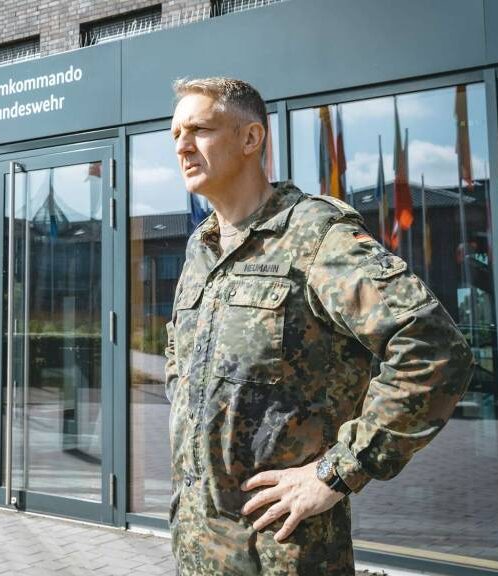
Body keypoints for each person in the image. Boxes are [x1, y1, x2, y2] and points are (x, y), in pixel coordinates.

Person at [163, 77, 473, 575]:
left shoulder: (315, 236)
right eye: (175, 132)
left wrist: (337, 472)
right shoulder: (201, 247)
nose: (181, 144)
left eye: (199, 128)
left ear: (250, 139)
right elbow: (180, 357)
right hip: (197, 544)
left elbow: (433, 349)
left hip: (281, 553)